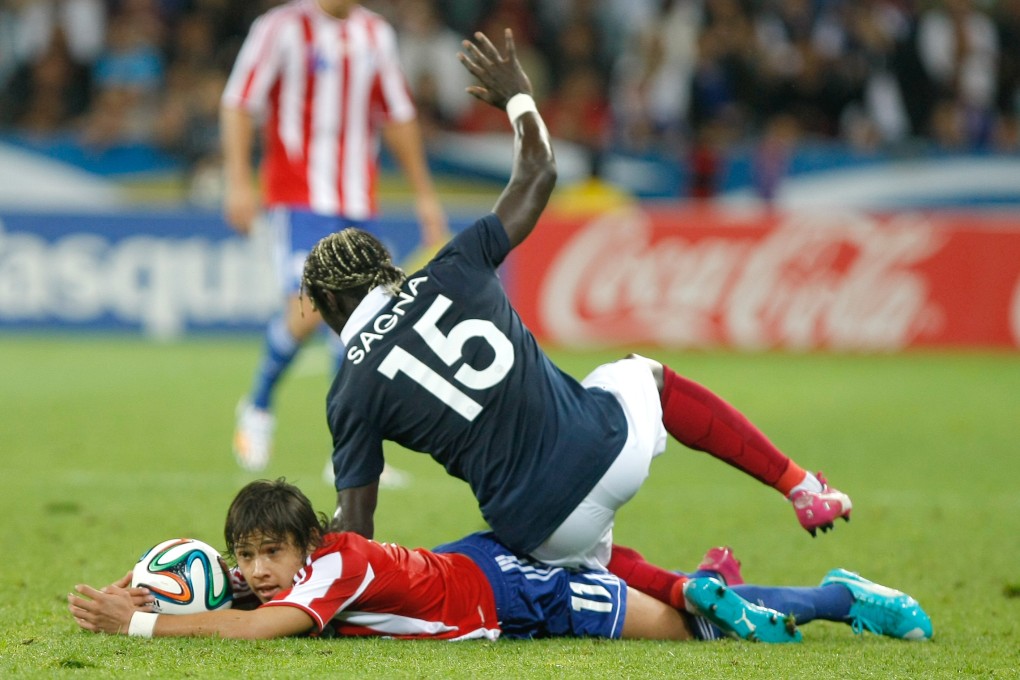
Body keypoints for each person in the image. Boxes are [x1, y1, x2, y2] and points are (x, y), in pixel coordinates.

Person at [301, 28, 852, 573]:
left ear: (326, 300)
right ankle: (799, 487)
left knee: (587, 563)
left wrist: (294, 565)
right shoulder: (455, 265)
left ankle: (683, 590)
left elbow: (356, 529)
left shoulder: (349, 390)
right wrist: (518, 97)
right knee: (645, 376)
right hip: (609, 451)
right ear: (383, 270)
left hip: (537, 528)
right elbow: (539, 173)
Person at [67, 479, 932, 643]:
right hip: (472, 570)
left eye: (270, 553)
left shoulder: (330, 570)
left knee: (691, 631)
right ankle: (720, 578)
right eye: (245, 557)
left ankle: (835, 595)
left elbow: (259, 631)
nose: (257, 571)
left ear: (305, 545)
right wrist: (142, 586)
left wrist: (141, 624)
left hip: (507, 597)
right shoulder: (306, 566)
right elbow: (228, 595)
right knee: (681, 609)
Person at [221, 0, 449, 472]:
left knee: (362, 322)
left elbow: (398, 116)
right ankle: (258, 405)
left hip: (358, 202)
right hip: (298, 197)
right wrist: (238, 179)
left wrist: (425, 195)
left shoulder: (376, 34)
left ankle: (348, 452)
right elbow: (240, 102)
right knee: (307, 311)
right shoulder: (280, 28)